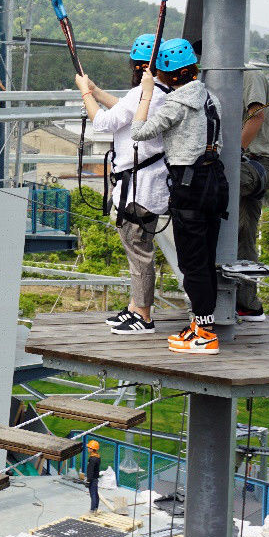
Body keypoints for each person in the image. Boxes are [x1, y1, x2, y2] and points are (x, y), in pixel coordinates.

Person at [132, 39, 228, 354]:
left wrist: (146, 92)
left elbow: (139, 131)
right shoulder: (211, 98)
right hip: (215, 180)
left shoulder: (176, 103)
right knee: (206, 259)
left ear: (169, 76)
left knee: (192, 261)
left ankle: (204, 333)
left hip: (189, 184)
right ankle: (202, 325)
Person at [77, 33, 170, 336]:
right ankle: (135, 307)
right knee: (137, 247)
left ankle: (142, 314)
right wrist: (96, 91)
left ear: (138, 65)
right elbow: (123, 110)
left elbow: (104, 123)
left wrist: (84, 94)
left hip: (139, 187)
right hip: (146, 182)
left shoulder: (148, 94)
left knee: (138, 249)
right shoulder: (156, 91)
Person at [237, 66, 269, 321]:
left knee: (213, 187)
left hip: (262, 162)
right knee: (244, 233)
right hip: (245, 161)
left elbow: (256, 117)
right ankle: (247, 304)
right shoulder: (214, 83)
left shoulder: (249, 76)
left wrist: (231, 154)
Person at [85, 441, 102, 512]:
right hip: (95, 478)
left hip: (92, 479)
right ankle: (96, 507)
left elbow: (90, 470)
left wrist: (88, 480)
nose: (88, 449)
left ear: (92, 449)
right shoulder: (97, 457)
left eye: (89, 447)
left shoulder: (92, 459)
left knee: (93, 493)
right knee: (95, 492)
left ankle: (93, 509)